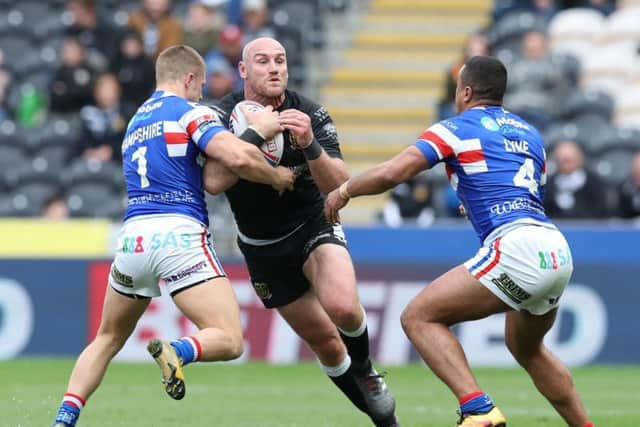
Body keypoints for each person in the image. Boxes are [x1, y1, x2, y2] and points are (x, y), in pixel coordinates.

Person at [325, 56, 594, 427]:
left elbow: (393, 173)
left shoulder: (455, 127)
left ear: (466, 92)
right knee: (527, 348)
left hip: (515, 246)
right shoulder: (530, 134)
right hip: (554, 248)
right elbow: (520, 191)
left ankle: (477, 409)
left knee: (418, 317)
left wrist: (345, 190)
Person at [52, 44, 295, 427]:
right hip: (178, 234)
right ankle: (178, 350)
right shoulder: (189, 112)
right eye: (198, 87)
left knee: (106, 338)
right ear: (188, 79)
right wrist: (275, 173)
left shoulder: (133, 122)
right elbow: (233, 156)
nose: (201, 95)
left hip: (133, 239)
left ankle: (64, 418)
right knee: (229, 339)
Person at [202, 37, 399, 427]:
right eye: (262, 61)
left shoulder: (308, 112)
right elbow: (214, 180)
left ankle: (365, 368)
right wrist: (255, 133)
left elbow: (338, 184)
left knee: (342, 306)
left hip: (313, 223)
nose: (274, 68)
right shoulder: (220, 115)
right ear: (243, 70)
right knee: (325, 343)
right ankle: (388, 424)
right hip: (263, 247)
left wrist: (309, 144)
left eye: (280, 60)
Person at [544, 140, 608, 219]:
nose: (565, 165)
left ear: (579, 159)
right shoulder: (548, 185)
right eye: (561, 161)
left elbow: (600, 212)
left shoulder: (594, 184)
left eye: (568, 161)